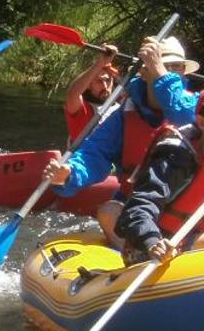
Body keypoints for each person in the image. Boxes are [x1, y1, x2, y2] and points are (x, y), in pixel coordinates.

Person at [46, 35, 200, 246]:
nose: (171, 73)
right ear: (144, 72)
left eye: (177, 68)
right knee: (108, 212)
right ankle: (138, 253)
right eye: (165, 66)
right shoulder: (125, 114)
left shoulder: (195, 106)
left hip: (189, 217)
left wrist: (160, 73)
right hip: (137, 210)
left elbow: (182, 115)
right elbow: (94, 154)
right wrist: (69, 173)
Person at [114, 95, 204, 264]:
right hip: (158, 248)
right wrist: (152, 241)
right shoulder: (177, 156)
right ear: (200, 120)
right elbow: (140, 206)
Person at [63, 47, 119, 144]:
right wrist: (100, 63)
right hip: (83, 157)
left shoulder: (121, 106)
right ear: (88, 85)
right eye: (99, 81)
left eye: (108, 80)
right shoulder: (82, 109)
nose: (105, 86)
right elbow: (72, 94)